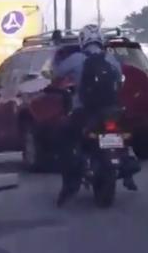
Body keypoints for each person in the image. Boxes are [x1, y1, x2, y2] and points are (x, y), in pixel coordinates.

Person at [53, 24, 138, 205]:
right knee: (123, 133)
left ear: (82, 40)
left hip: (84, 111)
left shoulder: (76, 59)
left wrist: (58, 53)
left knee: (64, 136)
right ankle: (127, 169)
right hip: (112, 110)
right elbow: (119, 81)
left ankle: (69, 184)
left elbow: (56, 73)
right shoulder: (111, 59)